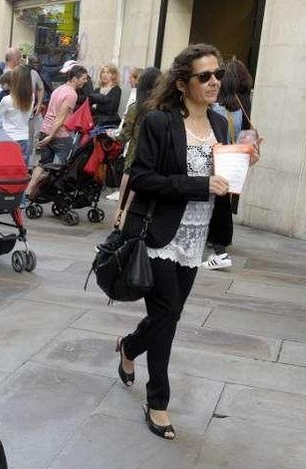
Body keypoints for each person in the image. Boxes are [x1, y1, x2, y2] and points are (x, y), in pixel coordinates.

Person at [116, 43, 259, 440]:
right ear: (182, 83)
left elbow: (221, 180)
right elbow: (142, 177)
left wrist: (241, 161)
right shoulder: (159, 121)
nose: (215, 82)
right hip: (160, 234)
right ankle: (158, 401)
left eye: (218, 76)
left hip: (197, 236)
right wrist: (198, 184)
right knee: (166, 317)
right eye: (205, 76)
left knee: (168, 316)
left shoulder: (219, 124)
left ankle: (129, 346)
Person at [203, 58, 254, 269]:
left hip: (215, 157)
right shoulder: (240, 104)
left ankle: (216, 244)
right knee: (224, 200)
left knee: (211, 199)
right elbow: (245, 136)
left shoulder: (215, 106)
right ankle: (220, 240)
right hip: (232, 159)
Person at [26, 65, 89, 197]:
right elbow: (61, 117)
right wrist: (51, 136)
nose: (85, 81)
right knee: (63, 166)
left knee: (43, 163)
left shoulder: (58, 89)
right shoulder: (72, 94)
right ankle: (52, 191)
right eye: (83, 78)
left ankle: (29, 190)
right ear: (74, 79)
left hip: (45, 128)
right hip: (59, 134)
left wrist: (48, 134)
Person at [110, 67, 161, 212]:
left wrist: (111, 135)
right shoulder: (165, 111)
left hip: (133, 161)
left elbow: (124, 136)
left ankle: (118, 229)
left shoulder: (136, 108)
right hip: (155, 166)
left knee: (123, 205)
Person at [0, 66, 34, 166]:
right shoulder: (31, 97)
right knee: (21, 171)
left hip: (8, 138)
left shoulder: (7, 100)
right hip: (25, 138)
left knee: (6, 170)